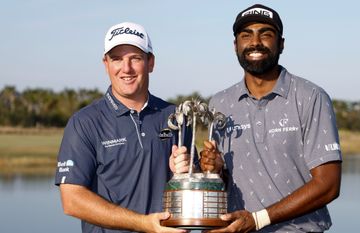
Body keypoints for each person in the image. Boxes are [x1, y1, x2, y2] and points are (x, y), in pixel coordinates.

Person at [200, 4, 342, 233]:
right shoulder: (220, 104)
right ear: (236, 45)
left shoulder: (310, 97)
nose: (255, 42)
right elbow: (225, 182)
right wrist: (216, 171)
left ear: (281, 44)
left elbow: (328, 185)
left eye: (266, 34)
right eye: (246, 35)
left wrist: (258, 219)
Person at [55, 22, 190, 233]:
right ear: (106, 63)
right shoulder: (84, 122)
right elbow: (72, 200)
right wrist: (143, 223)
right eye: (117, 59)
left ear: (151, 62)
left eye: (135, 58)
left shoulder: (176, 117)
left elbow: (197, 187)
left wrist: (185, 173)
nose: (126, 68)